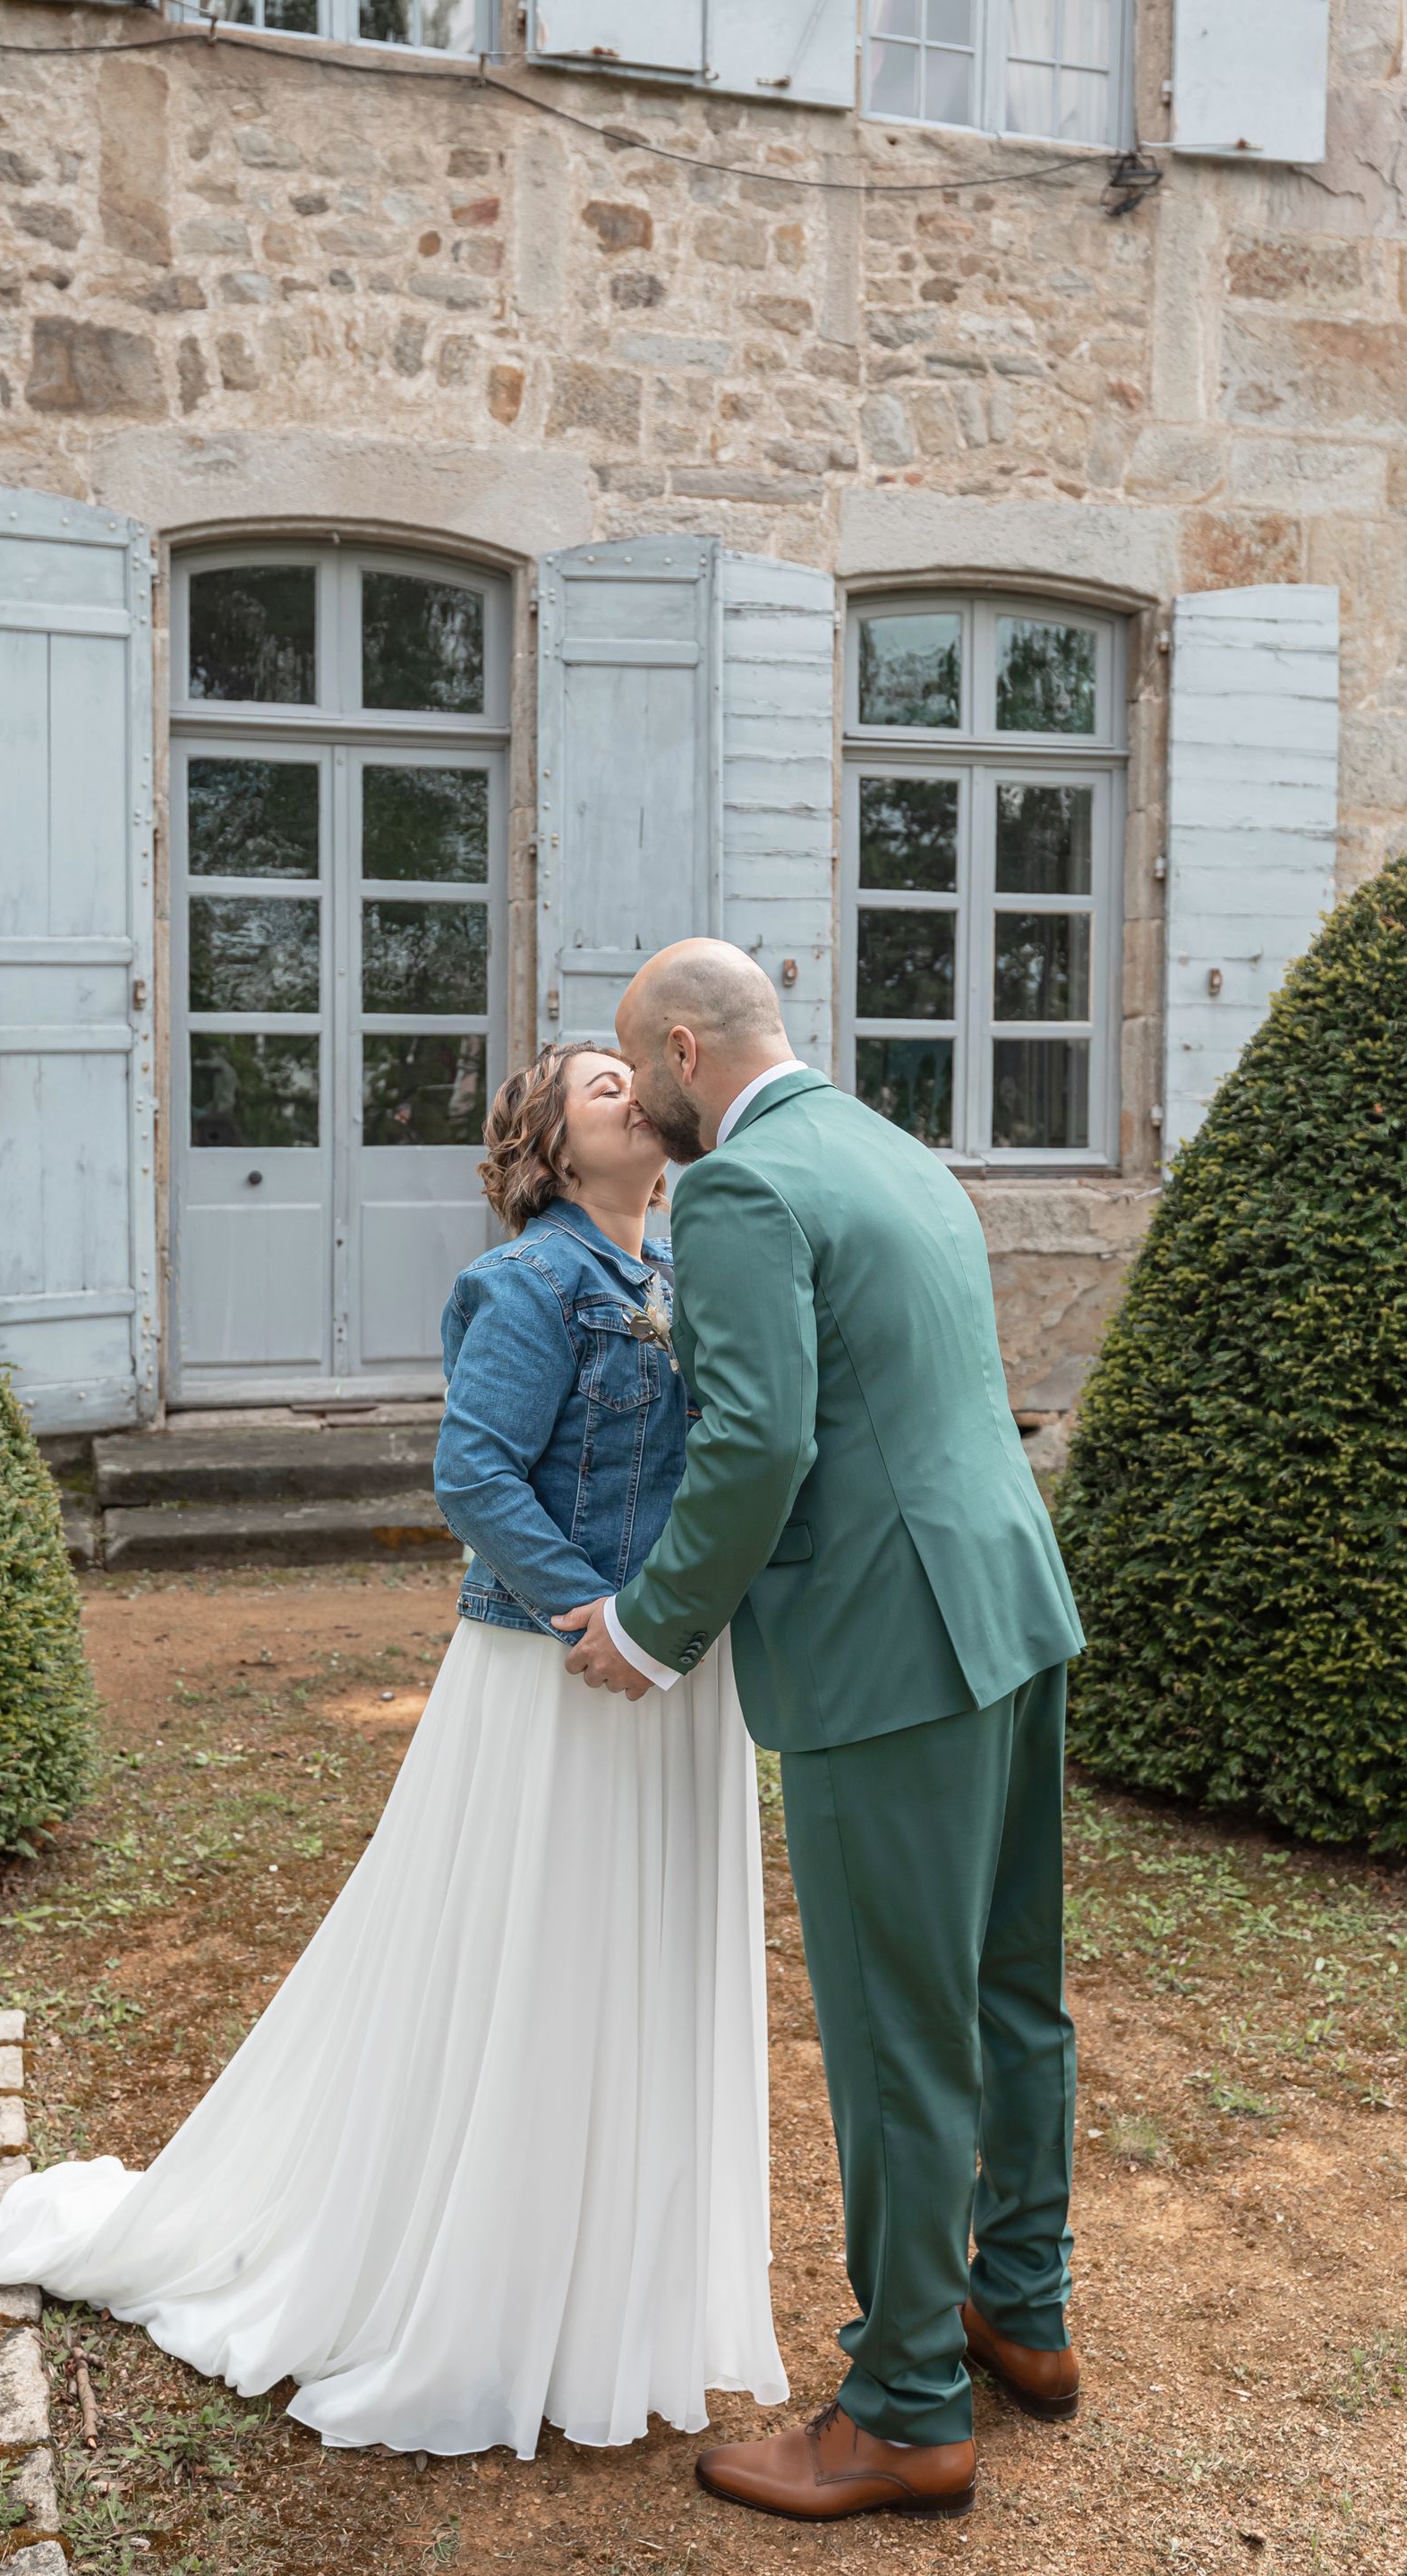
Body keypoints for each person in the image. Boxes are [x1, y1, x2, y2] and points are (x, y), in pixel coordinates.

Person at [0, 1039, 788, 2460]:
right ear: (551, 1146)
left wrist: (678, 1624)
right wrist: (593, 1614)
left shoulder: (678, 1275)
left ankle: (605, 2292)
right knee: (541, 1959)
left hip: (672, 1674)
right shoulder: (526, 1283)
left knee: (636, 1963)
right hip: (556, 1677)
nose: (639, 1096)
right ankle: (480, 2289)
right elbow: (473, 1472)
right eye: (604, 1088)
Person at [554, 939, 1086, 2527]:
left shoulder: (739, 1191)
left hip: (885, 1649)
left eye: (640, 1069)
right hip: (1007, 1609)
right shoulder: (891, 1150)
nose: (641, 1103)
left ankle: (908, 2405)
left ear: (686, 1051)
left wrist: (651, 1627)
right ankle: (1025, 2310)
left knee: (897, 2032)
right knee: (1010, 1986)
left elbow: (759, 1441)